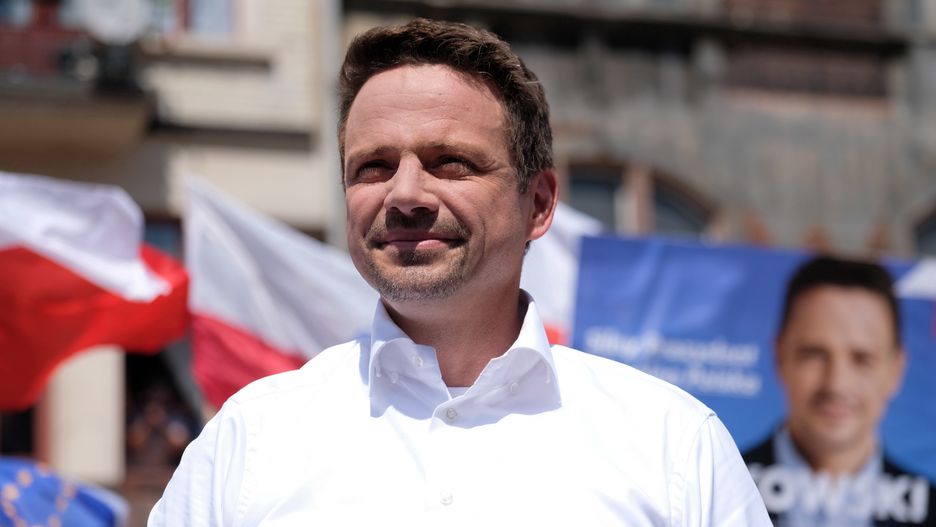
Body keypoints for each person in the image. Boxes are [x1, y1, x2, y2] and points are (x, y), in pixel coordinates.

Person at [150, 18, 769, 525]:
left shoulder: (672, 447)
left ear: (539, 204)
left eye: (450, 162)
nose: (404, 195)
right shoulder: (249, 442)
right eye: (373, 167)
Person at [743, 255, 936, 526]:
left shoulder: (931, 511)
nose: (836, 384)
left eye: (862, 359)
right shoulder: (719, 491)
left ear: (896, 370)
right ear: (780, 356)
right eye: (814, 354)